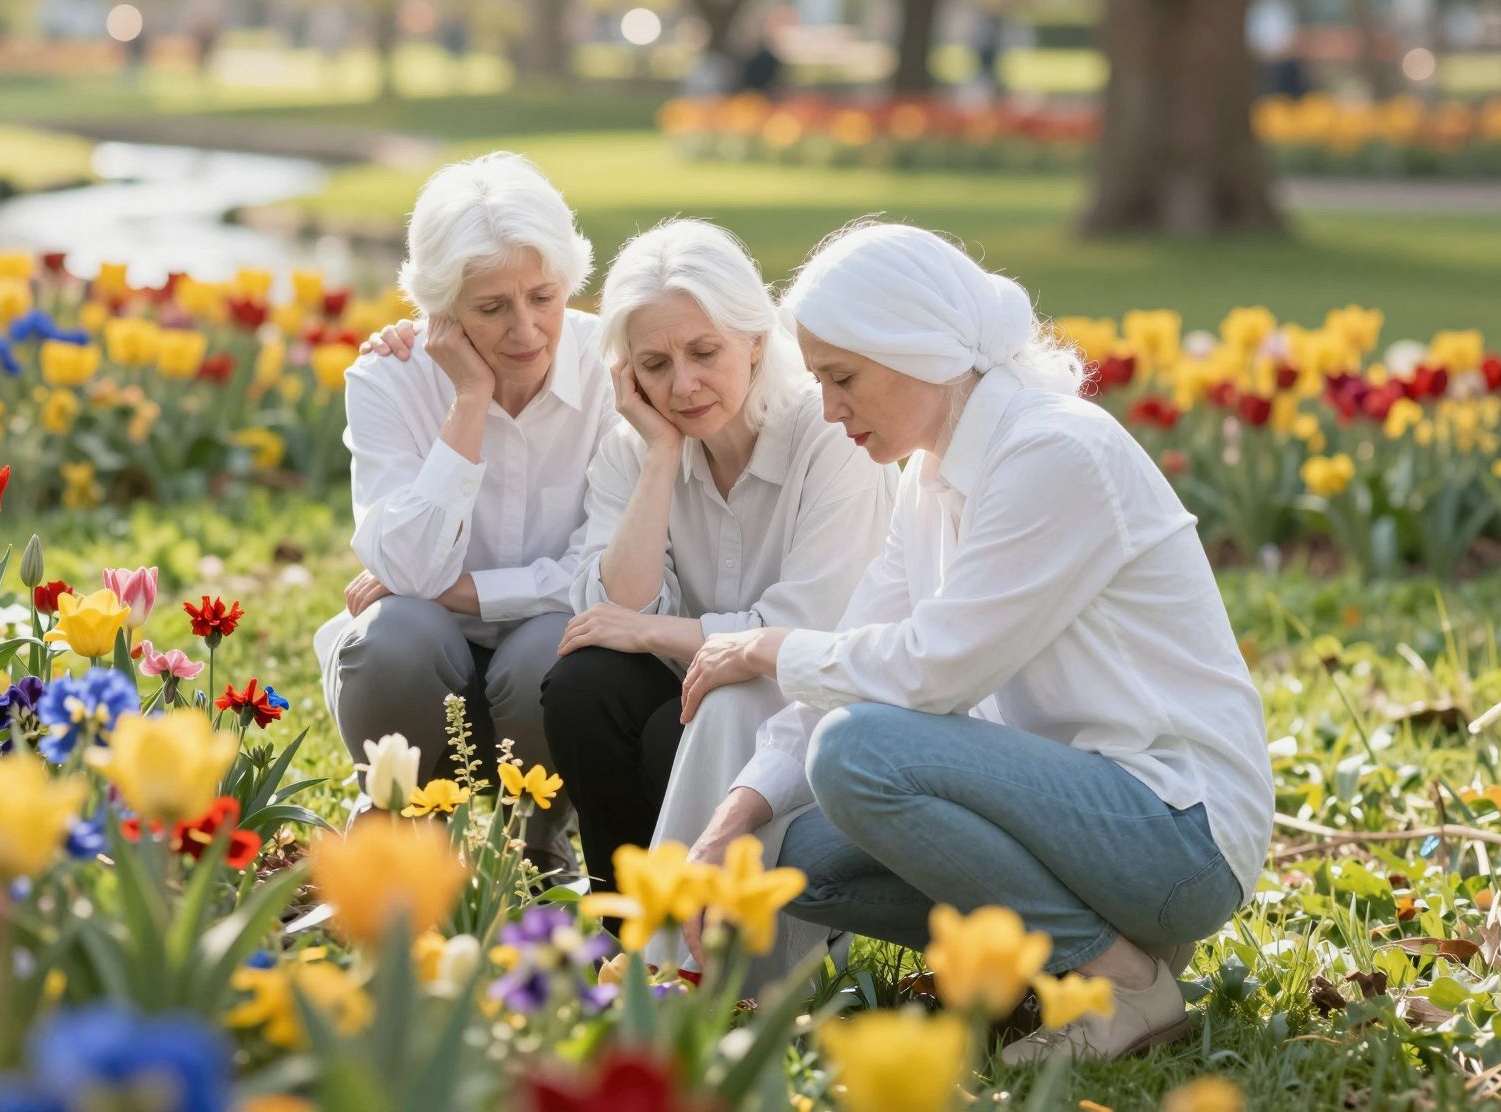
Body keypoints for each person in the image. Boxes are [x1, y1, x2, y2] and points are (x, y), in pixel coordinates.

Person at [677, 221, 1273, 1062]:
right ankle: (1093, 952)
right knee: (790, 859)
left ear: (918, 348)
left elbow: (933, 670)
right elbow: (858, 656)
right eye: (819, 382)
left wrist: (768, 648)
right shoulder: (926, 479)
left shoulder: (1055, 451)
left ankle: (1117, 984)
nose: (830, 408)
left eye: (843, 378)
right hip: (1082, 819)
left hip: (1180, 837)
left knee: (857, 754)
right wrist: (732, 820)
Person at [543, 219, 894, 975]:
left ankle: (724, 952)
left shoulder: (830, 436)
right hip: (695, 685)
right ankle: (625, 936)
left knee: (694, 720)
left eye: (704, 353)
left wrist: (653, 633)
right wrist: (661, 457)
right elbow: (613, 606)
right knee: (583, 685)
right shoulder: (635, 447)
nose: (683, 385)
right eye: (655, 364)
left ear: (756, 341)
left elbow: (806, 630)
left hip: (805, 701)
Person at [316, 152, 616, 862]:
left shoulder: (612, 369)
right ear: (442, 307)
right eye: (491, 307)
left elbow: (602, 574)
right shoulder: (389, 377)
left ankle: (539, 839)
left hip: (542, 658)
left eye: (543, 297)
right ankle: (404, 825)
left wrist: (463, 591)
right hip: (422, 661)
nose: (526, 330)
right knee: (393, 637)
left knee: (558, 648)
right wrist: (470, 401)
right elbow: (410, 568)